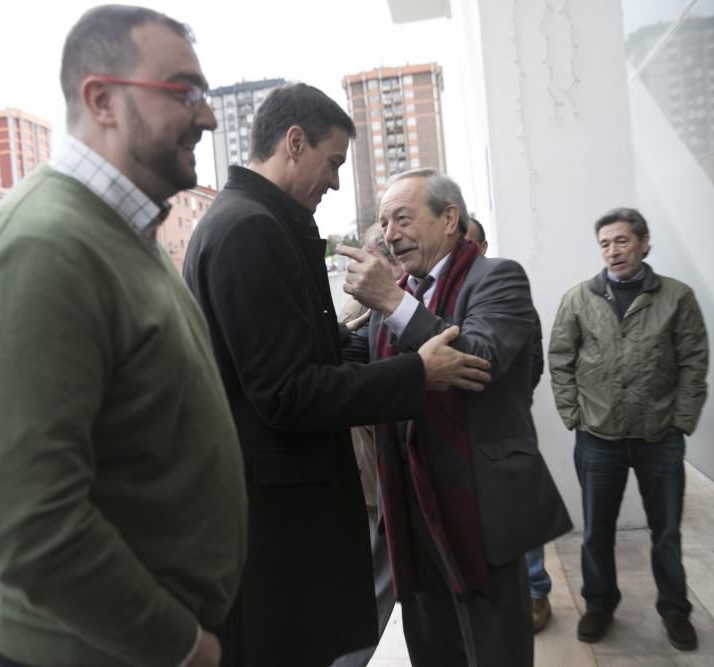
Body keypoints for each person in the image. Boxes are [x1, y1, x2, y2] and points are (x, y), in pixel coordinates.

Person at [0, 6, 246, 667]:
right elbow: (33, 524)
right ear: (102, 99)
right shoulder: (38, 248)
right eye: (184, 92)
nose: (209, 116)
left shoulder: (127, 234)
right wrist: (178, 643)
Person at [183, 84, 490, 667]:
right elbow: (286, 392)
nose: (335, 182)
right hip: (278, 525)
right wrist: (414, 373)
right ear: (294, 143)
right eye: (333, 163)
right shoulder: (249, 230)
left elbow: (309, 357)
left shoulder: (255, 222)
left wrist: (383, 342)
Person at [339, 168, 569, 666]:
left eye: (403, 218)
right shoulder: (392, 298)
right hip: (409, 507)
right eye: (384, 223)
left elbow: (478, 358)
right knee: (432, 646)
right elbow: (354, 361)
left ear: (449, 218)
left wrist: (395, 302)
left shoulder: (498, 278)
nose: (390, 234)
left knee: (493, 650)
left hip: (478, 506)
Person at [548, 206, 708, 651]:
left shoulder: (677, 297)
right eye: (605, 244)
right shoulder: (579, 298)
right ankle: (599, 604)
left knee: (667, 532)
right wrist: (573, 415)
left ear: (644, 242)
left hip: (660, 438)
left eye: (621, 241)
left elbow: (695, 361)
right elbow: (559, 358)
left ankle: (675, 611)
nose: (613, 251)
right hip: (598, 439)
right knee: (597, 531)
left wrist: (682, 420)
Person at [468, 217, 554, 633]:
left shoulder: (502, 283)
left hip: (507, 425)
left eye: (467, 242)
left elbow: (531, 357)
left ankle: (537, 592)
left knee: (520, 517)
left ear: (482, 246)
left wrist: (517, 398)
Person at [332, 223, 401, 667]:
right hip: (370, 474)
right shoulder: (357, 302)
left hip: (388, 469)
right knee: (373, 587)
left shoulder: (403, 298)